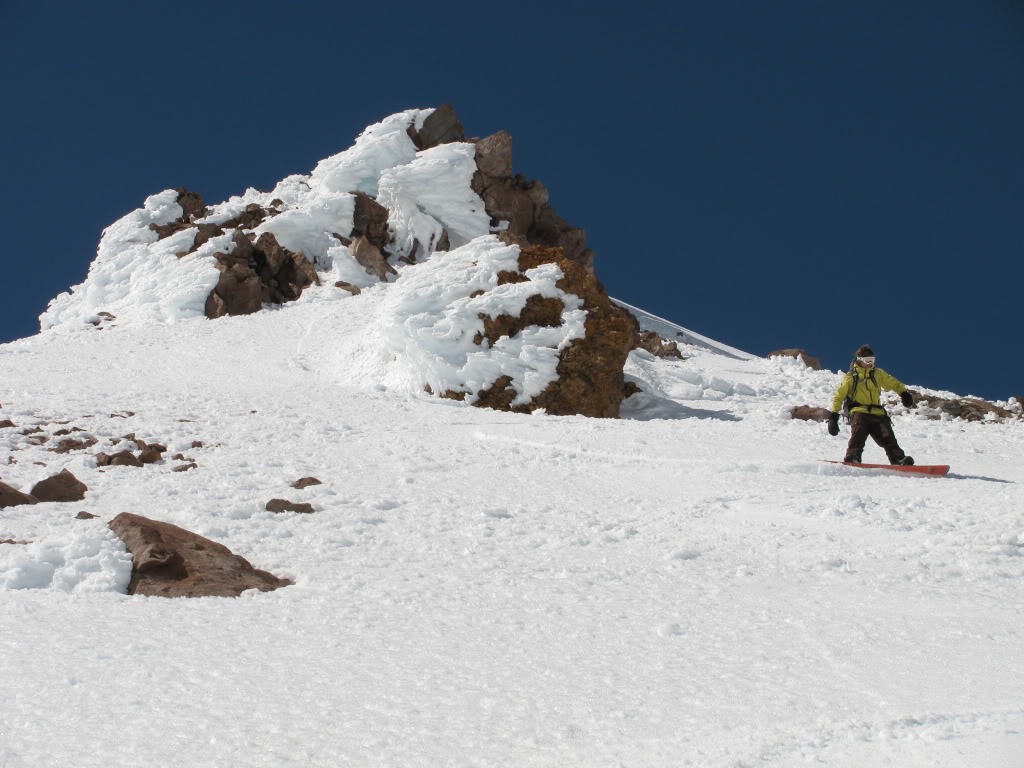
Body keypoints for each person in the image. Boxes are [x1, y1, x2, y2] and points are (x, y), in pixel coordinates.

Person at [827, 345, 915, 465]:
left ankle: (898, 458)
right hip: (859, 411)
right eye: (867, 361)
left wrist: (904, 393)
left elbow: (892, 382)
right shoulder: (850, 377)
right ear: (860, 360)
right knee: (859, 433)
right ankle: (853, 456)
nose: (870, 364)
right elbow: (839, 396)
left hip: (877, 413)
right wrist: (833, 417)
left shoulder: (877, 374)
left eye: (872, 361)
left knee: (887, 436)